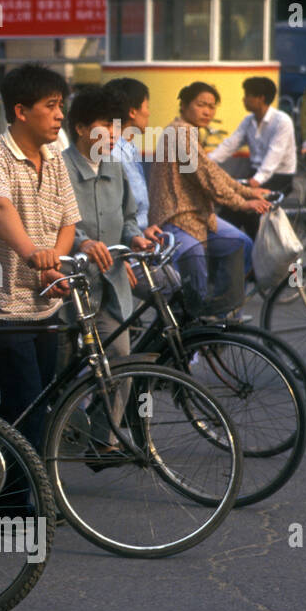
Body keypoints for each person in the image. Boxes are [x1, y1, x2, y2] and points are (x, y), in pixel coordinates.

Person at [0, 63, 81, 452]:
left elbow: (68, 222)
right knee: (25, 405)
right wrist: (34, 256)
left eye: (60, 105)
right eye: (51, 105)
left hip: (44, 304)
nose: (60, 115)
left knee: (37, 404)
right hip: (1, 304)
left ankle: (19, 490)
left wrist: (52, 265)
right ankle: (14, 503)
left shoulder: (55, 156)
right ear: (20, 110)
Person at [59, 88, 158, 443]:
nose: (114, 134)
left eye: (117, 127)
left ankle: (105, 440)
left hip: (112, 282)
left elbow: (129, 216)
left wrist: (135, 237)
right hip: (70, 286)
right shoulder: (61, 167)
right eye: (106, 126)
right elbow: (55, 222)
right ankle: (56, 438)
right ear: (82, 127)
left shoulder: (115, 166)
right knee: (64, 370)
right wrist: (82, 241)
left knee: (121, 363)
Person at [150, 81, 270, 296]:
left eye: (212, 106)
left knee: (239, 243)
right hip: (176, 217)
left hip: (196, 214)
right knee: (195, 284)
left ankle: (222, 311)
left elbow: (212, 170)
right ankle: (200, 319)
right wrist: (243, 203)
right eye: (201, 104)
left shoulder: (188, 132)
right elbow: (206, 177)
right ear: (185, 106)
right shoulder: (179, 132)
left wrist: (249, 192)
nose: (207, 111)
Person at [208, 76, 296, 237]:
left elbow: (274, 155)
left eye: (247, 95)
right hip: (255, 174)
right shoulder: (248, 121)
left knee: (251, 209)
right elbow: (230, 144)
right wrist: (206, 162)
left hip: (279, 176)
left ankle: (264, 252)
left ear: (260, 98)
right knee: (232, 205)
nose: (244, 99)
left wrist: (256, 181)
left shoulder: (282, 121)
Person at [103, 76, 152, 233]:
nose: (149, 113)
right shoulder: (113, 152)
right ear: (132, 112)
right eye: (146, 107)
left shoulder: (129, 148)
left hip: (139, 234)